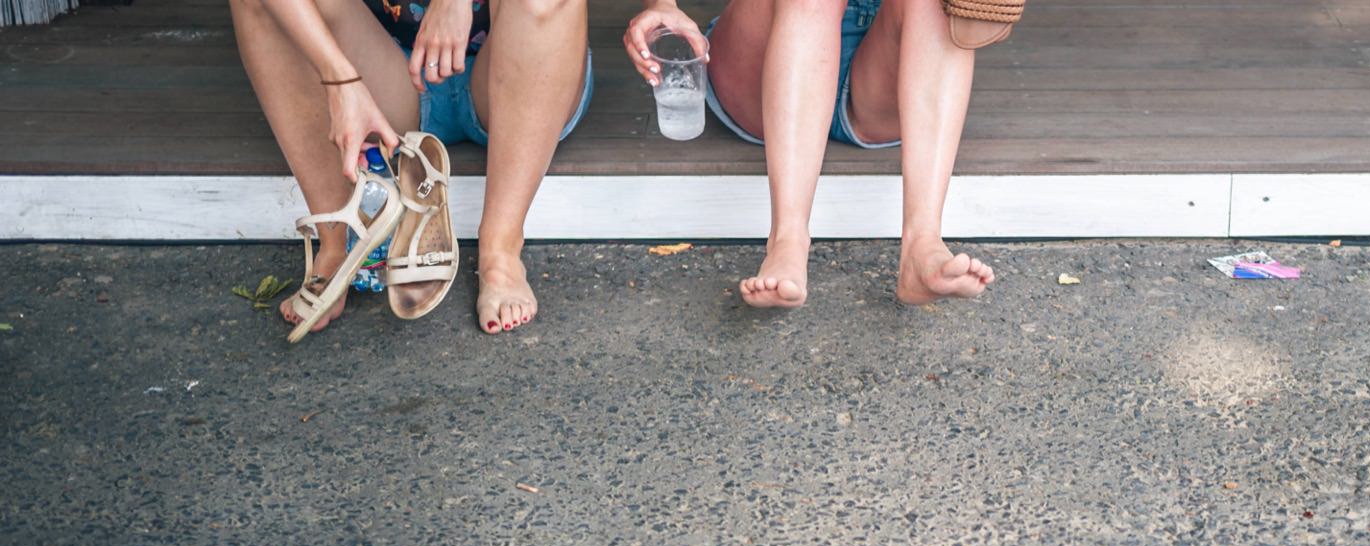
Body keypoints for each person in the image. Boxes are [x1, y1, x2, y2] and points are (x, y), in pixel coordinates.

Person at [230, 0, 594, 335]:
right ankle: (336, 243)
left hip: (523, 63)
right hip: (387, 73)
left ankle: (500, 251)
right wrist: (339, 78)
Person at [627, 0, 994, 308]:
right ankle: (786, 242)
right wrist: (661, 5)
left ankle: (922, 245)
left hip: (886, 70)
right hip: (769, 52)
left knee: (943, 2)